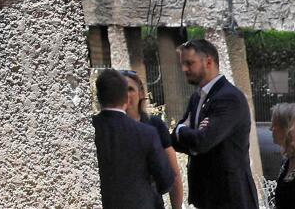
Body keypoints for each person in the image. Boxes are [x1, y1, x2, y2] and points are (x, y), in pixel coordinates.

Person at [171, 37, 261, 209]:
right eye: (183, 63)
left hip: (230, 198)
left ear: (209, 62)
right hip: (206, 196)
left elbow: (202, 141)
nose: (184, 69)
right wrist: (190, 137)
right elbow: (177, 142)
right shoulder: (197, 97)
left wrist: (182, 130)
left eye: (190, 63)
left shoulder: (229, 98)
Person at [94, 67, 176, 209]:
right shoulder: (147, 133)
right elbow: (166, 182)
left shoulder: (89, 129)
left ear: (98, 97)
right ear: (125, 98)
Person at [123, 69, 186, 209]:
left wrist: (177, 207)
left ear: (140, 94)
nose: (125, 94)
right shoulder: (108, 128)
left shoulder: (154, 124)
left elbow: (173, 173)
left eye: (130, 89)